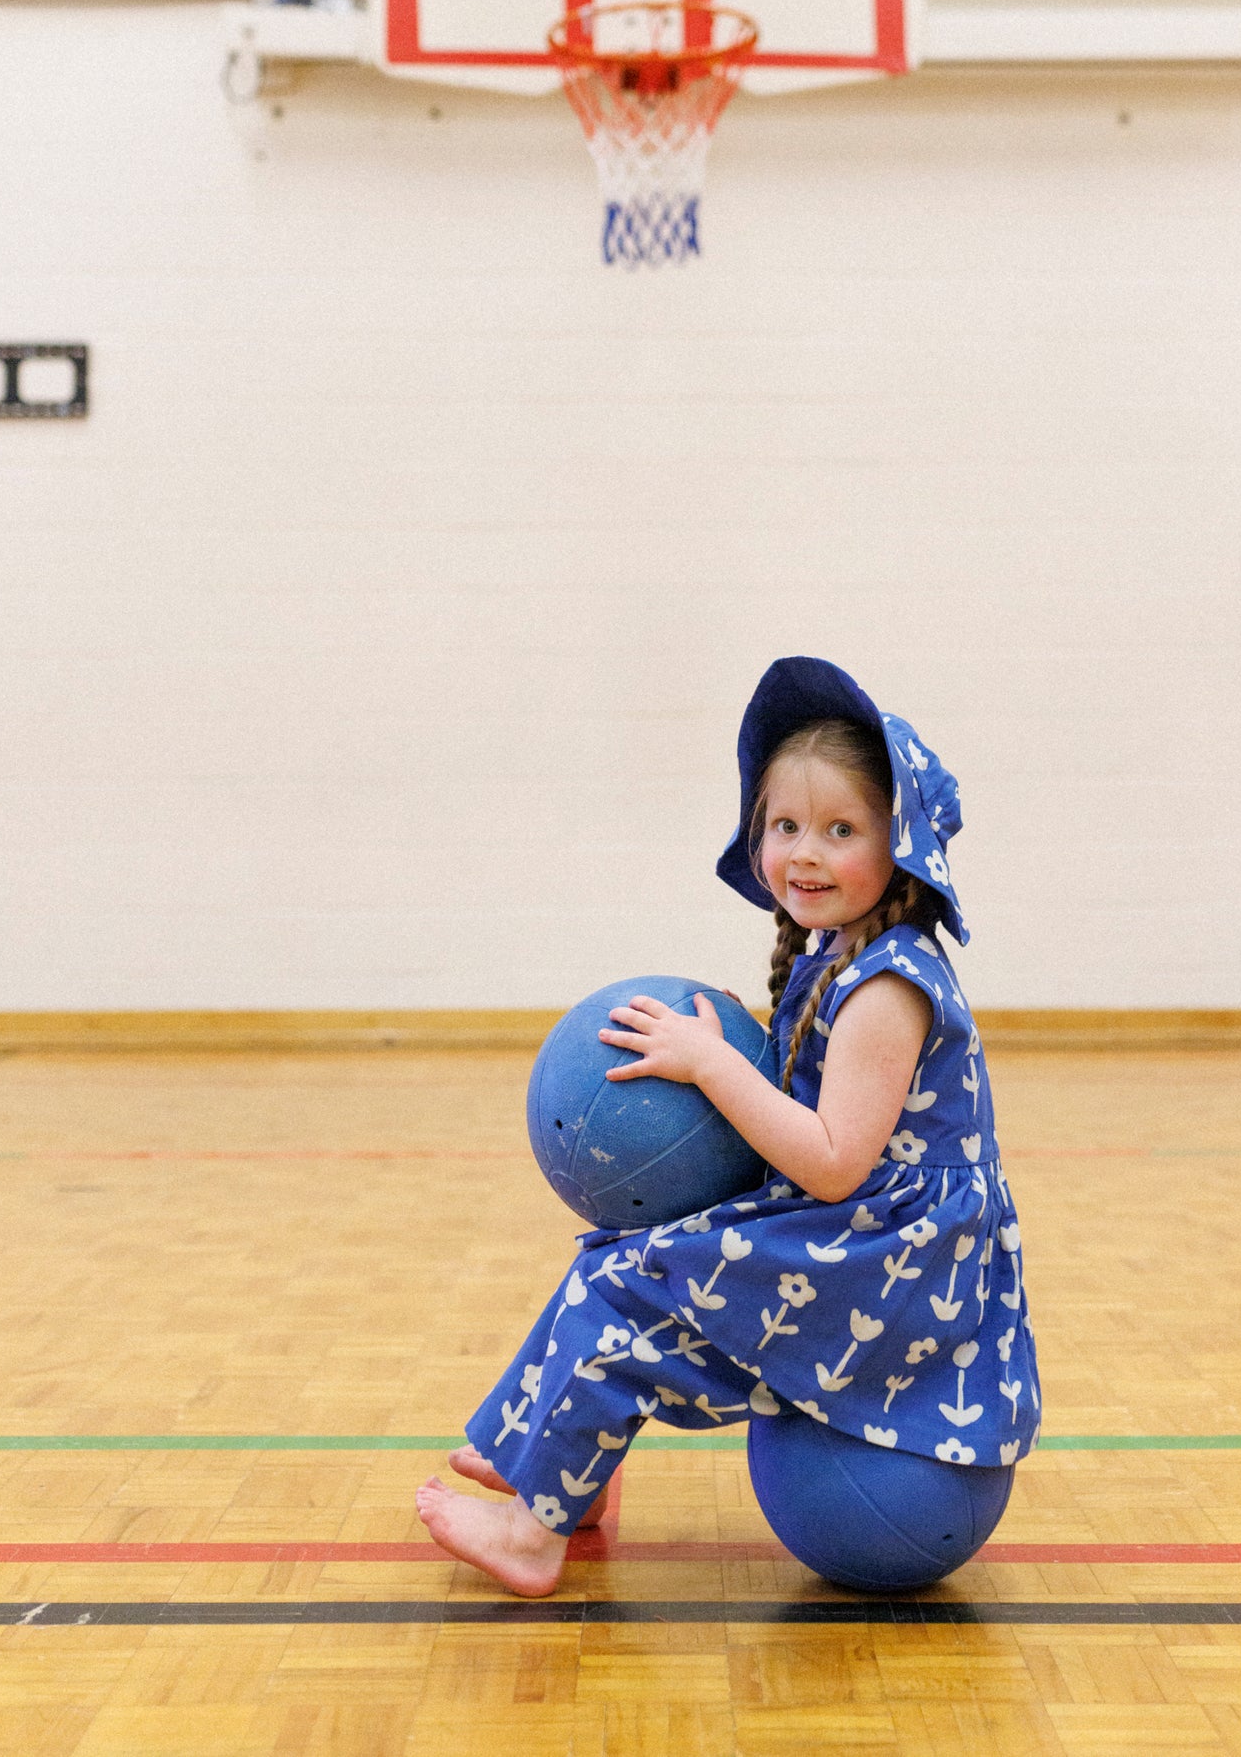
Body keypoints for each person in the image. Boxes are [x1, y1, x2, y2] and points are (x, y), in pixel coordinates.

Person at [417, 655, 1041, 1595]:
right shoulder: (842, 955)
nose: (804, 852)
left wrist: (709, 1064)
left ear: (900, 846)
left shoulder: (886, 988)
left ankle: (529, 1537)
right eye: (784, 826)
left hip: (892, 1261)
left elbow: (833, 1165)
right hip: (866, 1238)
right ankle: (545, 1473)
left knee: (627, 1286)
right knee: (610, 1257)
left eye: (840, 830)